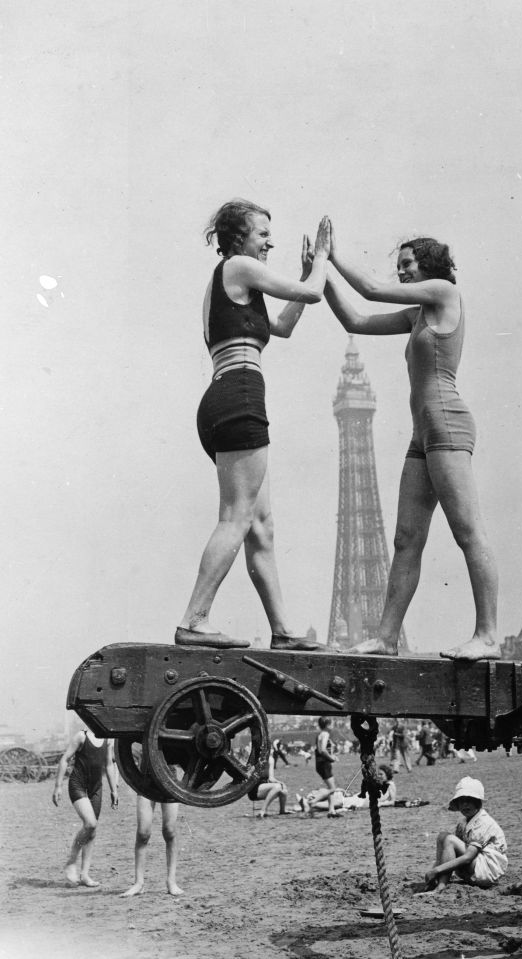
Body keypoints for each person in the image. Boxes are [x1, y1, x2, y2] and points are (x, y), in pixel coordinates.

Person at [323, 225, 498, 659]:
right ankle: (385, 637)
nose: (400, 272)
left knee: (467, 532)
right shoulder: (419, 312)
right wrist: (320, 274)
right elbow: (355, 320)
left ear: (429, 265)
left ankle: (488, 635)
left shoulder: (442, 293)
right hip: (424, 433)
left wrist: (333, 255)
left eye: (407, 265)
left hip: (447, 425)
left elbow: (369, 289)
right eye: (398, 267)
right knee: (406, 538)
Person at [176, 199, 331, 652]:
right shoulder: (239, 266)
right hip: (240, 396)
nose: (270, 242)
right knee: (237, 517)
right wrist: (320, 261)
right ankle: (194, 619)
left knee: (260, 524)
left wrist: (304, 278)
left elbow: (282, 325)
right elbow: (315, 293)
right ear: (239, 237)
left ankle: (283, 631)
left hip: (224, 396)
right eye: (263, 233)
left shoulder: (235, 282)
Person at [52, 728, 118, 887]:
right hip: (78, 784)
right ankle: (71, 862)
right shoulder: (82, 736)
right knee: (90, 823)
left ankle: (85, 875)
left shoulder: (108, 739)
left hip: (96, 787)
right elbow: (65, 759)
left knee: (92, 831)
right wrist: (58, 786)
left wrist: (114, 790)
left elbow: (109, 764)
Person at [423, 776, 507, 893]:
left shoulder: (483, 821)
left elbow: (468, 857)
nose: (465, 805)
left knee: (450, 840)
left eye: (470, 800)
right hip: (474, 870)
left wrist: (437, 870)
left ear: (478, 802)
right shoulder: (464, 822)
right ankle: (437, 881)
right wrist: (435, 867)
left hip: (487, 871)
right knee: (443, 836)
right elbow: (449, 851)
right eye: (462, 801)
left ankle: (440, 886)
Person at [120, 794, 183, 897]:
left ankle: (171, 881)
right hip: (146, 783)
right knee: (143, 833)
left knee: (169, 831)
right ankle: (139, 883)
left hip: (168, 783)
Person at [307, 717, 341, 817]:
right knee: (332, 789)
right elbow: (322, 750)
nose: (333, 725)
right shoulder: (325, 734)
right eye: (332, 723)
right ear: (327, 725)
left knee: (330, 787)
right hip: (324, 764)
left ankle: (331, 810)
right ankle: (313, 802)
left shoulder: (320, 734)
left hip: (321, 763)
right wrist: (332, 758)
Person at [248, 739, 290, 818]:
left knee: (283, 790)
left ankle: (282, 811)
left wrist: (280, 782)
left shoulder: (271, 760)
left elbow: (271, 778)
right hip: (254, 789)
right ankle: (263, 810)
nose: (271, 751)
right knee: (277, 786)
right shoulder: (257, 760)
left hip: (264, 787)